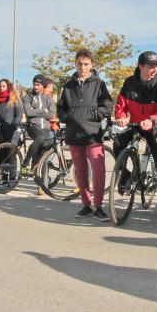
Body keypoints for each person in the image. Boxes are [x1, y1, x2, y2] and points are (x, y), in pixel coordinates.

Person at [114, 51, 157, 222]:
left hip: (154, 127)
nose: (154, 69)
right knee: (118, 143)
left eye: (156, 65)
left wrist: (152, 120)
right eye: (150, 66)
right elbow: (121, 105)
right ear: (140, 66)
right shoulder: (129, 83)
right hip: (134, 124)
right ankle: (125, 174)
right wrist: (122, 116)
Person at [57, 49, 114, 219]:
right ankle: (86, 204)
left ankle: (98, 206)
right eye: (80, 63)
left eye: (86, 64)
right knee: (80, 171)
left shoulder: (99, 83)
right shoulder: (68, 85)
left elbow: (107, 105)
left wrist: (95, 115)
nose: (83, 67)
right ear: (75, 64)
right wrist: (68, 117)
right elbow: (61, 108)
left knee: (98, 170)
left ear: (91, 65)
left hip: (93, 134)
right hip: (74, 134)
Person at [0, 78, 24, 185]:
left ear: (8, 87)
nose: (2, 88)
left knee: (11, 154)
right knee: (1, 154)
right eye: (0, 86)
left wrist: (13, 126)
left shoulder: (14, 99)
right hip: (1, 132)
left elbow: (19, 114)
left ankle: (12, 178)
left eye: (4, 86)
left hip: (12, 131)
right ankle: (4, 177)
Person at [22, 75, 55, 174]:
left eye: (38, 85)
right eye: (34, 85)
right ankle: (26, 161)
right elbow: (28, 113)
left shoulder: (48, 99)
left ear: (43, 86)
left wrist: (35, 112)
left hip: (45, 128)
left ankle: (40, 180)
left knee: (43, 153)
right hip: (33, 126)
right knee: (40, 137)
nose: (35, 87)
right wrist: (42, 110)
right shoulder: (28, 97)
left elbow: (51, 114)